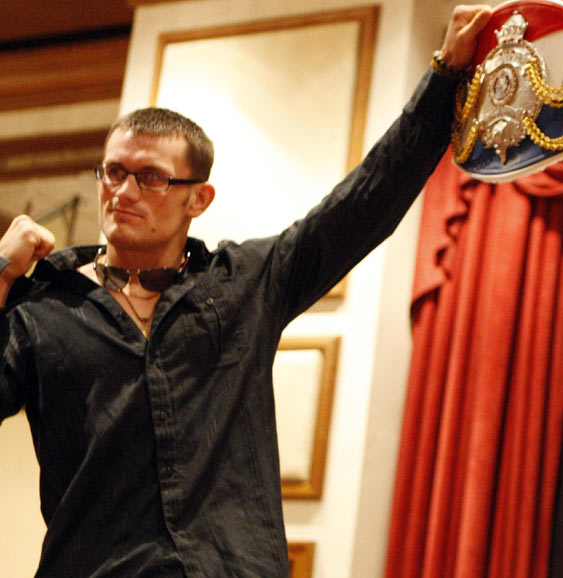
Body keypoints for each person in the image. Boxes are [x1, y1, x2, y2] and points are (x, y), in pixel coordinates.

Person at [0, 5, 491, 577]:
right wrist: (1, 273)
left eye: (151, 177)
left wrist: (444, 76)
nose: (123, 192)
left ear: (198, 199)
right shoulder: (44, 304)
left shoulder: (245, 282)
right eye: (113, 172)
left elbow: (364, 203)